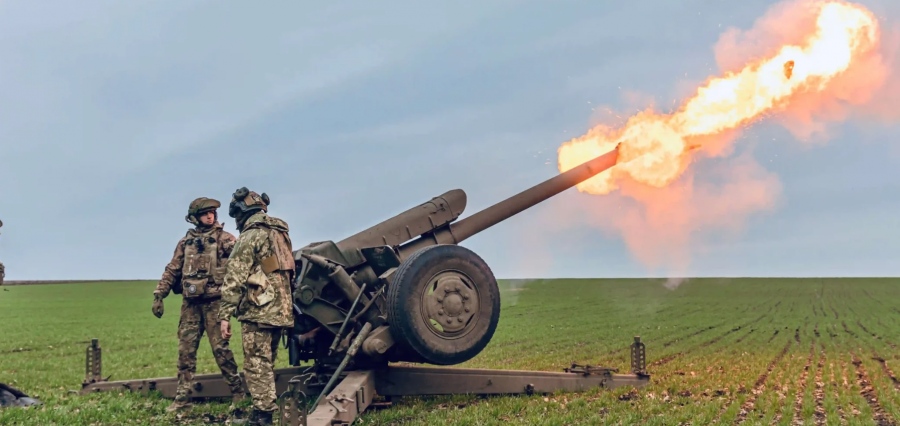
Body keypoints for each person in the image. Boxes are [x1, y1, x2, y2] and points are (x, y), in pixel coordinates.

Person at [152, 197, 245, 414]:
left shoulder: (224, 239)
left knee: (221, 351)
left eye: (212, 213)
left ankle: (238, 393)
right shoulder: (186, 243)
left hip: (215, 304)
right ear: (195, 217)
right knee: (185, 352)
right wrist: (159, 294)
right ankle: (182, 399)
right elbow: (172, 269)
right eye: (205, 213)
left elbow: (242, 262)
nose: (210, 216)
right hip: (191, 305)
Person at [217, 187, 294, 426]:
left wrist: (224, 315)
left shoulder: (251, 235)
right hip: (281, 309)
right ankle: (265, 408)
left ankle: (263, 415)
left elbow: (235, 276)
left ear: (241, 212)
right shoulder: (280, 233)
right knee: (266, 361)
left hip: (258, 310)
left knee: (256, 364)